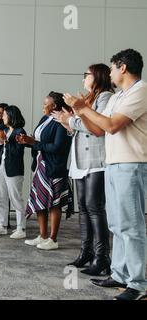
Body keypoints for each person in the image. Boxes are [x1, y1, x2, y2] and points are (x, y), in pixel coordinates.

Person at [65, 49, 147, 300]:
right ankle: (120, 274)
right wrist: (80, 112)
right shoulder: (117, 97)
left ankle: (138, 284)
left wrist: (82, 108)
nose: (109, 73)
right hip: (113, 163)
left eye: (112, 68)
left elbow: (112, 125)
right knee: (117, 224)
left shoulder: (141, 90)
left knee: (131, 226)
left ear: (123, 68)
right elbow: (100, 128)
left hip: (131, 164)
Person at [53, 64, 114, 276]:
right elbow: (81, 127)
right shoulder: (88, 98)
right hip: (80, 160)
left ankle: (102, 257)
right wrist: (67, 123)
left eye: (86, 75)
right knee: (84, 208)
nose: (83, 79)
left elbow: (97, 128)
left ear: (97, 75)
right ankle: (85, 252)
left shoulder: (105, 96)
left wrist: (72, 119)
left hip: (96, 159)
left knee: (94, 207)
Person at [17, 92, 73, 251]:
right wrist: (27, 141)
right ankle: (42, 236)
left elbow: (57, 148)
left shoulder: (62, 121)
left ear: (54, 106)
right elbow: (38, 142)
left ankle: (53, 239)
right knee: (39, 201)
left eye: (45, 103)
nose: (43, 106)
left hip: (54, 167)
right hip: (40, 166)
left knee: (54, 204)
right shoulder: (45, 119)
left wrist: (34, 142)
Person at [0, 106, 27, 239]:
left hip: (14, 170)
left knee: (16, 199)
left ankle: (21, 228)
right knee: (1, 198)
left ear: (11, 116)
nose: (3, 117)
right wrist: (0, 142)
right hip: (2, 168)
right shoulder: (5, 130)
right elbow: (2, 151)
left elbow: (17, 153)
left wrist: (5, 140)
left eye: (4, 115)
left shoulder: (19, 131)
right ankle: (3, 225)